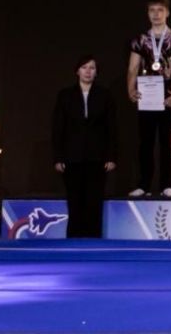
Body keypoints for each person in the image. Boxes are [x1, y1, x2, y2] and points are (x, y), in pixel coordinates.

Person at [125, 0, 171, 197]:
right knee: (145, 142)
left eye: (160, 10)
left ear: (167, 13)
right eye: (152, 10)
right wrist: (130, 89)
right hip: (147, 94)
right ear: (148, 13)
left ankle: (166, 185)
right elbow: (132, 68)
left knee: (168, 143)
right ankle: (144, 185)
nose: (156, 14)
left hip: (167, 95)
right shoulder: (140, 39)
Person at [52, 56, 117, 238]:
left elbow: (111, 128)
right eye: (84, 67)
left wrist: (111, 156)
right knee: (75, 200)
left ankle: (93, 240)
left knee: (94, 201)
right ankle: (73, 240)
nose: (88, 71)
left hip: (97, 157)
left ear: (96, 72)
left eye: (92, 68)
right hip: (72, 157)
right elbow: (58, 128)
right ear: (77, 71)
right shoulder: (65, 95)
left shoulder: (104, 95)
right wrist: (58, 157)